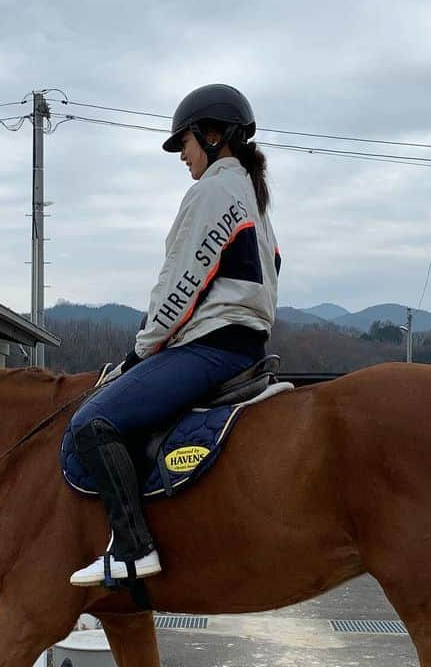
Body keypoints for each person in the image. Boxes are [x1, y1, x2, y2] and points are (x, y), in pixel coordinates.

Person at [68, 83, 280, 587]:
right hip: (248, 342)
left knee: (92, 420)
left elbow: (181, 284)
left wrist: (140, 351)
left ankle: (133, 548)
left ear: (212, 135)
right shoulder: (253, 198)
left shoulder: (211, 192)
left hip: (211, 347)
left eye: (183, 144)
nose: (182, 157)